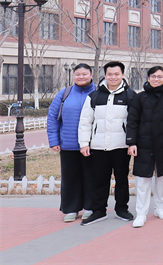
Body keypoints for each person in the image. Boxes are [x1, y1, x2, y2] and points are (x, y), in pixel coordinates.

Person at [78, 61, 136, 226]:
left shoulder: (130, 95)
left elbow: (134, 122)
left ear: (122, 75)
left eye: (117, 74)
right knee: (100, 180)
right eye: (110, 74)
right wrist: (84, 143)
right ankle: (99, 211)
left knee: (122, 179)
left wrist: (132, 143)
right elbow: (85, 122)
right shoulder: (94, 96)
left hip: (121, 146)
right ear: (105, 75)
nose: (113, 77)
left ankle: (122, 209)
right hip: (98, 146)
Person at [126, 65, 163, 228]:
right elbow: (132, 121)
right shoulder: (139, 97)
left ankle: (160, 208)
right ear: (148, 78)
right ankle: (141, 213)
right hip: (144, 144)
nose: (156, 79)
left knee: (162, 177)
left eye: (160, 76)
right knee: (143, 179)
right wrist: (131, 142)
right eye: (153, 76)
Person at [47, 63, 96, 222]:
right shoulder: (64, 94)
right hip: (68, 144)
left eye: (85, 74)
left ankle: (90, 207)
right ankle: (71, 209)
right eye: (78, 74)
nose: (81, 77)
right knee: (70, 179)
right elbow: (53, 118)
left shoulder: (98, 93)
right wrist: (54, 140)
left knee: (91, 177)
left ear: (91, 75)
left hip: (92, 145)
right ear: (73, 76)